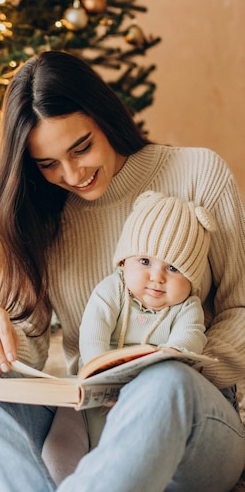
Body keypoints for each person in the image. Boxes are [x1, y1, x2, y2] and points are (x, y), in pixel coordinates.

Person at [0, 50, 245, 492]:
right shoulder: (44, 212)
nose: (72, 174)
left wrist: (175, 365)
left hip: (193, 418)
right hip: (89, 422)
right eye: (47, 164)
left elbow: (241, 306)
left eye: (81, 147)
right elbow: (30, 344)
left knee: (164, 382)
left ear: (104, 116)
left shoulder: (197, 173)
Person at [79, 189, 214, 449]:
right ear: (123, 263)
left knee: (148, 439)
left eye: (173, 268)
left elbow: (191, 336)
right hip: (100, 386)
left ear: (191, 280)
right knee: (79, 433)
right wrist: (101, 375)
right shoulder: (112, 290)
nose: (157, 277)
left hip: (151, 390)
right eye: (144, 261)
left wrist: (173, 352)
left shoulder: (186, 307)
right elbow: (93, 333)